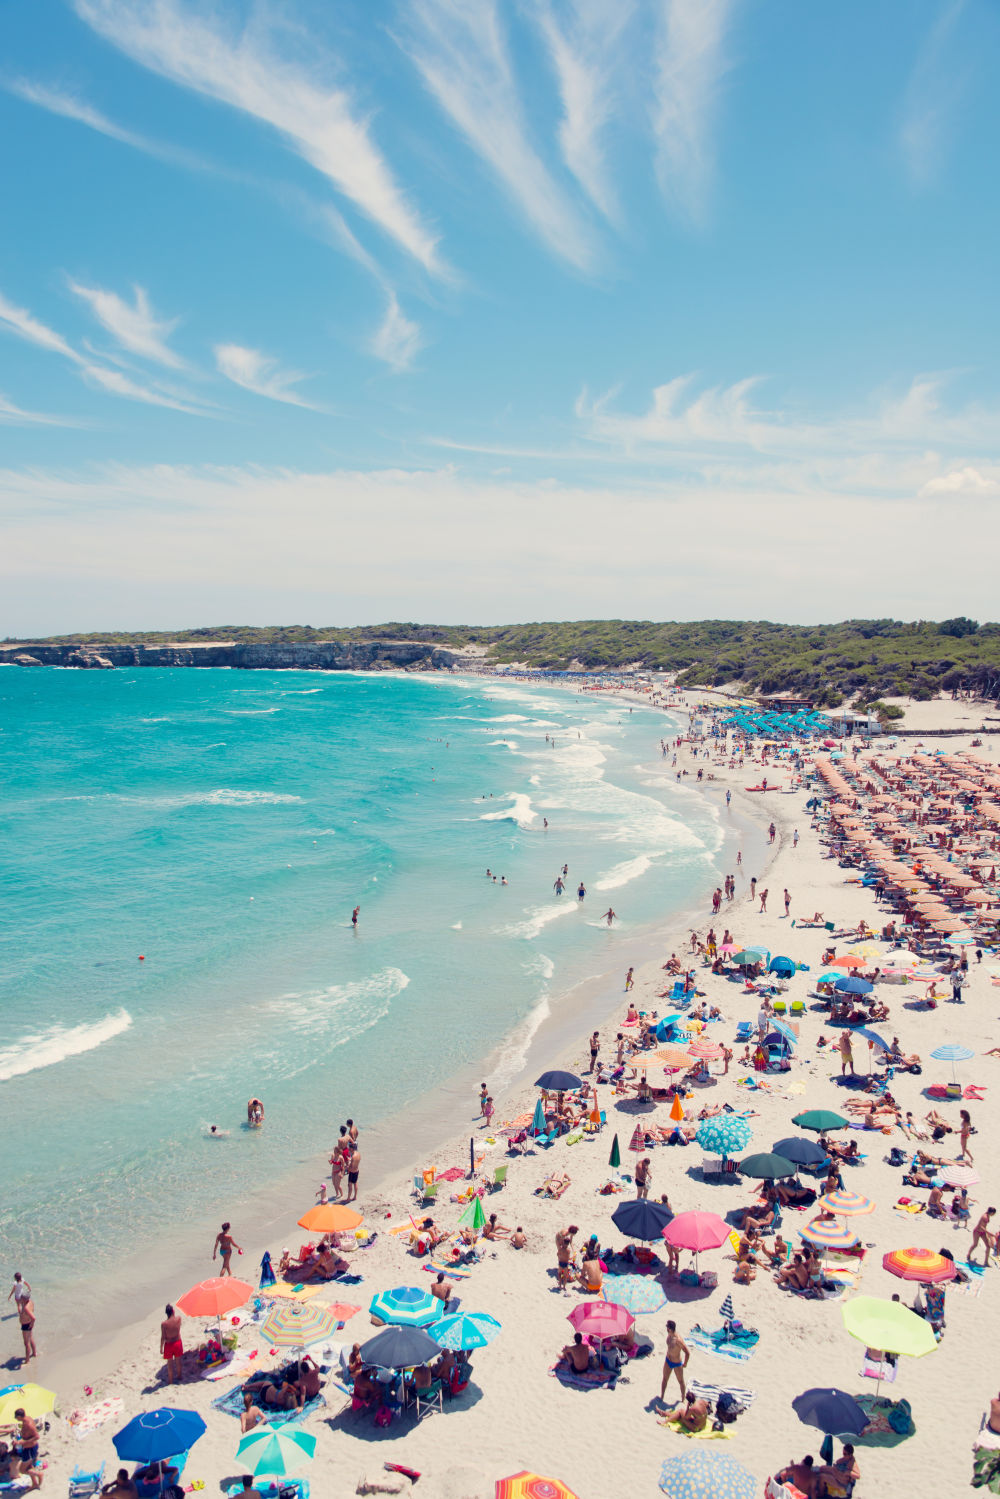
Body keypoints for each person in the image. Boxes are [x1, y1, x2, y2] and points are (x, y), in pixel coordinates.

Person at [660, 1320, 689, 1402]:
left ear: (670, 1329)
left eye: (667, 1327)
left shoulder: (678, 1340)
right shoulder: (669, 1335)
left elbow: (687, 1352)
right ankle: (662, 1396)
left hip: (677, 1363)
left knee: (681, 1381)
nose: (666, 1329)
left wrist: (685, 1363)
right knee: (665, 1379)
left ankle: (683, 1398)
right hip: (668, 1360)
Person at [160, 1303, 183, 1384]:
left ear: (166, 1313)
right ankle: (179, 1376)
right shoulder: (179, 1319)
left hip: (169, 1344)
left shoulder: (164, 1324)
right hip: (177, 1342)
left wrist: (161, 1348)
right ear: (173, 1311)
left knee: (170, 1364)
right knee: (178, 1361)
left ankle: (170, 1381)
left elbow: (163, 1337)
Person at [17, 1288, 36, 1365]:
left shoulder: (26, 1308)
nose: (20, 1298)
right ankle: (34, 1353)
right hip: (27, 1324)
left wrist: (31, 1324)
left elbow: (33, 1318)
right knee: (30, 1338)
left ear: (24, 1299)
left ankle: (27, 1361)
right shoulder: (29, 1302)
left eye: (21, 1298)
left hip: (26, 1325)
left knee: (26, 1343)